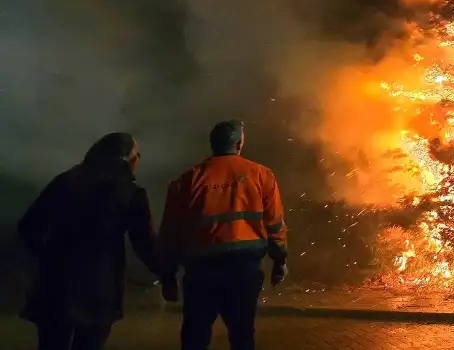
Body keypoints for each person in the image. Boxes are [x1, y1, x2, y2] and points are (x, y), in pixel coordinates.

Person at [17, 132, 158, 350]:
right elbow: (144, 244)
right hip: (99, 290)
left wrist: (47, 257)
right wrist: (165, 272)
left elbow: (29, 227)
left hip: (55, 284)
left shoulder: (65, 181)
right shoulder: (131, 193)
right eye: (137, 155)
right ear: (128, 159)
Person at [159, 119, 288, 350]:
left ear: (213, 144)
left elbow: (170, 232)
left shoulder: (187, 180)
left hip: (201, 271)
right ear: (239, 143)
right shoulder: (261, 175)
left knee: (195, 335)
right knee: (242, 334)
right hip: (243, 270)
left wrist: (168, 275)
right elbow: (274, 224)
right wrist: (279, 261)